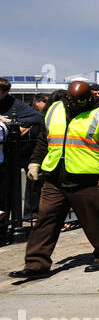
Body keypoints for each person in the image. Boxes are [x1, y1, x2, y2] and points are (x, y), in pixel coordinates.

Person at [9, 81, 99, 278]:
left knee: (93, 220)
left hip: (88, 176)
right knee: (45, 220)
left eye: (80, 101)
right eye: (72, 100)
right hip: (55, 176)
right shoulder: (55, 108)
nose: (75, 104)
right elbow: (44, 138)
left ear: (89, 98)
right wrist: (35, 161)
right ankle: (36, 264)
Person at [0, 78, 43, 241]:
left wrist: (11, 122)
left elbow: (38, 118)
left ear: (5, 92)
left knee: (8, 195)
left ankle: (8, 227)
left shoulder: (15, 104)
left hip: (10, 156)